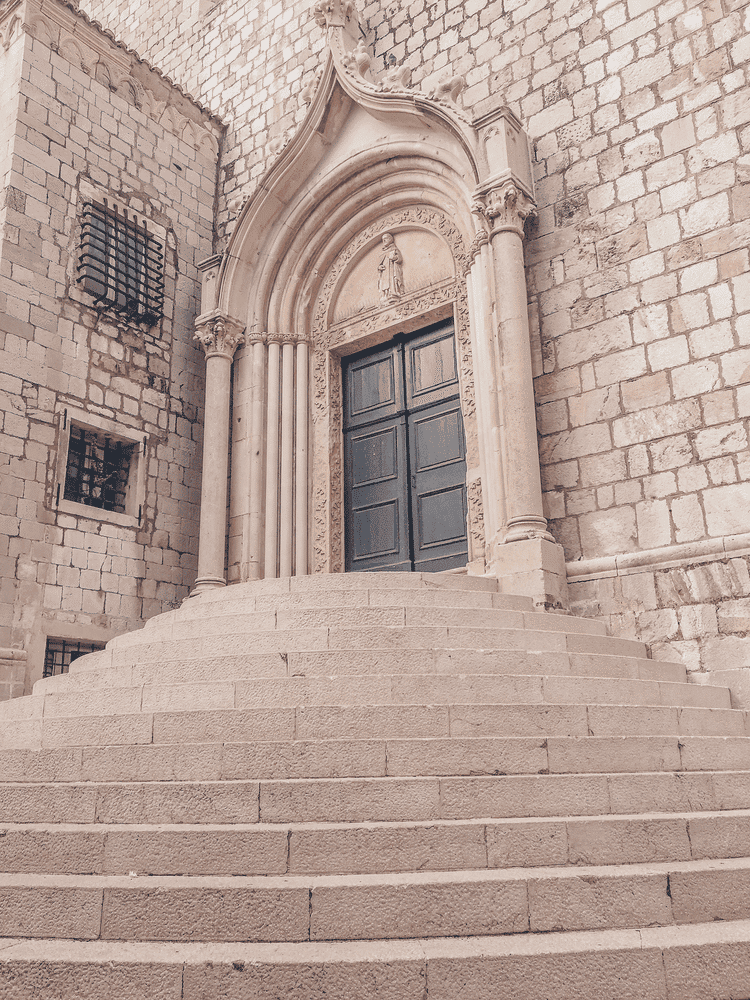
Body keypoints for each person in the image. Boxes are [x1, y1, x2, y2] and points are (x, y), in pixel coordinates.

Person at [377, 232, 404, 303]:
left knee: (392, 281)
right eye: (383, 240)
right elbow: (380, 263)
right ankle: (385, 295)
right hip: (385, 272)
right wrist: (380, 268)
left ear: (390, 239)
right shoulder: (383, 252)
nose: (384, 241)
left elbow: (399, 258)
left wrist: (394, 258)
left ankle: (393, 292)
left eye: (385, 239)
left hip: (392, 269)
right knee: (384, 284)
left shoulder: (394, 249)